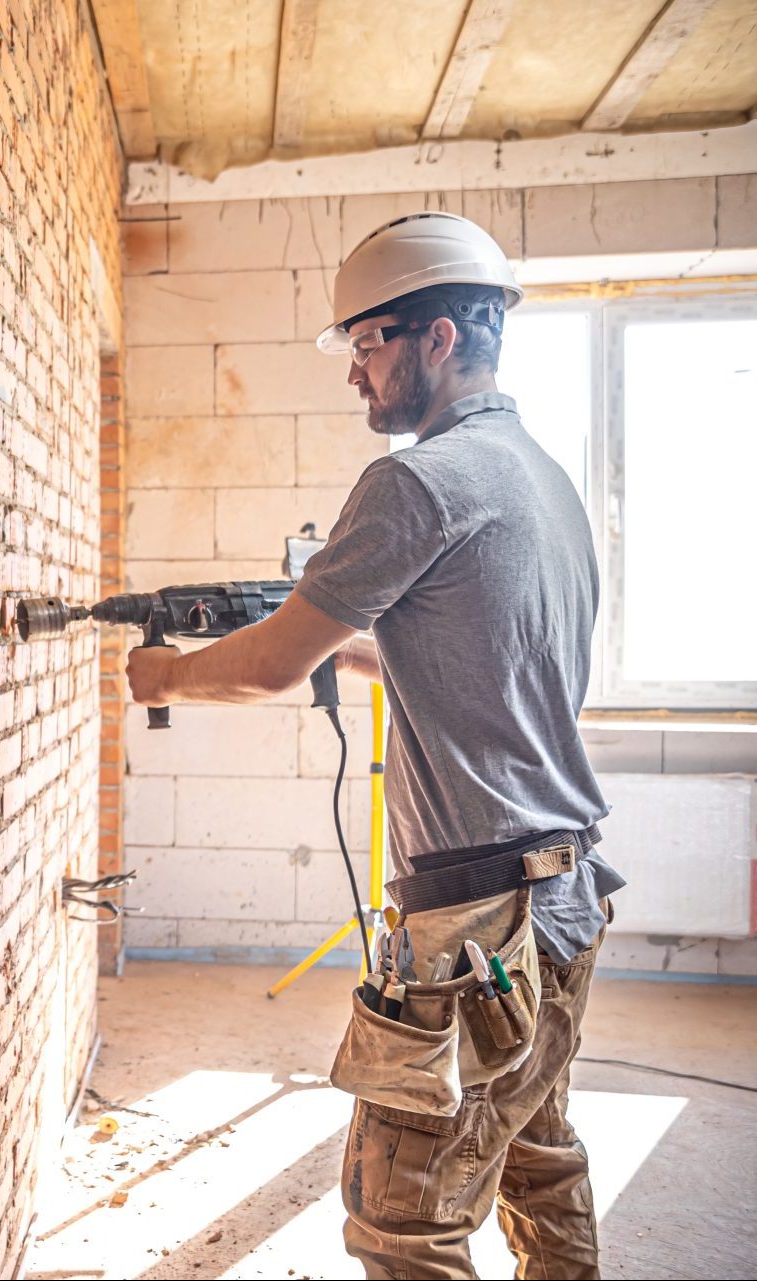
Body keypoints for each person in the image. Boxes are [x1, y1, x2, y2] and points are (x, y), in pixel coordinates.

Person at [125, 211, 624, 1280]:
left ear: (439, 338)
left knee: (403, 1221)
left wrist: (162, 676)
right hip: (568, 898)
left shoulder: (414, 482)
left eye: (368, 342)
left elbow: (261, 666)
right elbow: (494, 657)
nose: (355, 372)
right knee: (537, 1157)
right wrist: (362, 659)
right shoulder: (543, 477)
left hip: (477, 928)